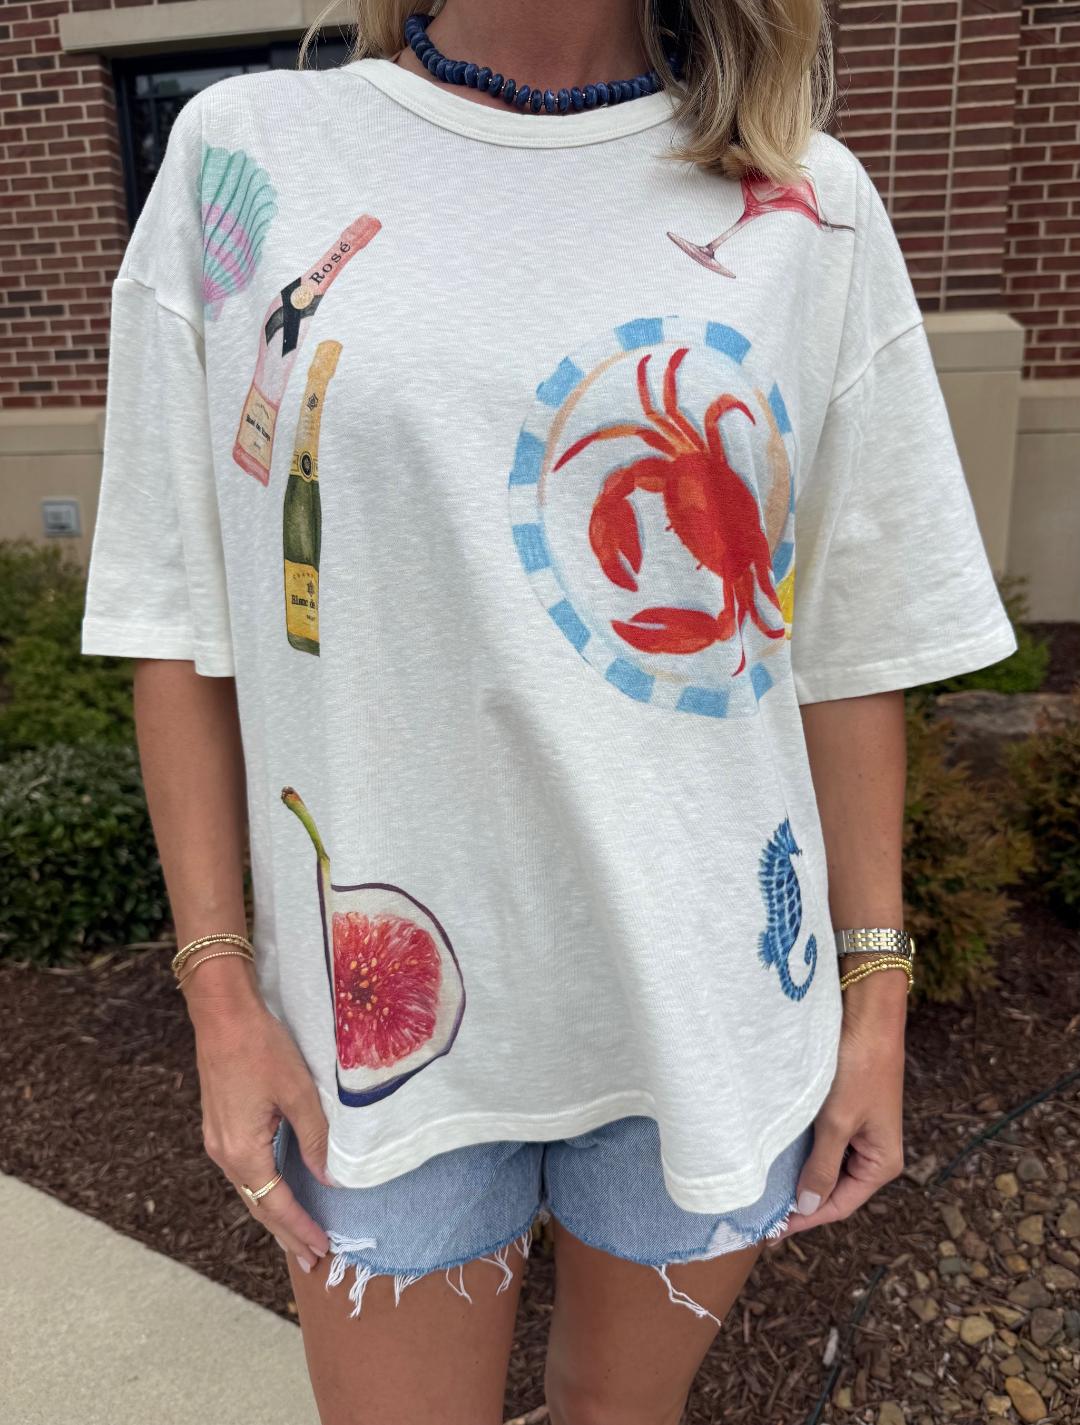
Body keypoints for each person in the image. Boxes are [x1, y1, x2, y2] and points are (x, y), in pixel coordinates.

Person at [80, 1, 1019, 1421]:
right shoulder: (246, 156)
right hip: (371, 1047)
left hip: (710, 1000)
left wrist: (875, 989)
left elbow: (847, 646)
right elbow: (177, 618)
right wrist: (218, 990)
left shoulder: (806, 204)